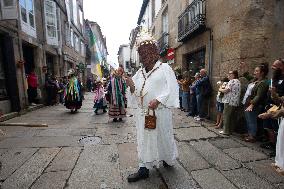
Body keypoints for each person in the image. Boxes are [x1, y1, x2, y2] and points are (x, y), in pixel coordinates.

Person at [124, 31, 179, 182]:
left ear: (154, 52)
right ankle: (143, 168)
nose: (144, 56)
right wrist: (131, 86)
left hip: (160, 113)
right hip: (144, 115)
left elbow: (172, 88)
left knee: (163, 137)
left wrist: (159, 100)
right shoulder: (139, 73)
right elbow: (134, 94)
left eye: (147, 52)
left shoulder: (164, 69)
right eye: (141, 53)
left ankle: (167, 158)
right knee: (144, 140)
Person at [243, 63, 269, 142]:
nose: (255, 72)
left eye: (257, 71)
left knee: (252, 120)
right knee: (248, 119)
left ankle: (252, 136)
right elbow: (247, 75)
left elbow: (258, 96)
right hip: (247, 103)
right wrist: (245, 68)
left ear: (262, 73)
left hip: (254, 105)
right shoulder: (255, 80)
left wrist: (252, 104)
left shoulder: (263, 83)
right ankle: (249, 132)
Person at [219, 70, 241, 135]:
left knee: (226, 116)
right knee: (231, 117)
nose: (228, 75)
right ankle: (230, 130)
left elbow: (226, 90)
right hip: (235, 102)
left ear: (233, 75)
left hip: (229, 101)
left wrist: (220, 89)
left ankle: (225, 131)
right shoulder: (238, 81)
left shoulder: (232, 81)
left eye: (230, 73)